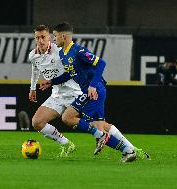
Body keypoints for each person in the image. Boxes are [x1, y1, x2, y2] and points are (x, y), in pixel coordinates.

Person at [40, 22, 150, 162]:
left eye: (55, 36)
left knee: (83, 122)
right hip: (87, 92)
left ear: (63, 36)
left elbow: (101, 63)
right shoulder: (62, 53)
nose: (53, 39)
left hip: (95, 90)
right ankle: (130, 150)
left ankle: (127, 150)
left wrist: (92, 85)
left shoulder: (78, 51)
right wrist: (52, 82)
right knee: (89, 124)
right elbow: (70, 74)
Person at [28, 25, 82, 157]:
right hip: (57, 95)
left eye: (43, 37)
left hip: (75, 93)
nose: (40, 40)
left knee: (96, 123)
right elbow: (35, 70)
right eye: (37, 37)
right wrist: (32, 88)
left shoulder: (59, 50)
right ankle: (66, 144)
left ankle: (121, 144)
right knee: (37, 122)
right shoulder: (33, 56)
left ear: (49, 38)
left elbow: (75, 67)